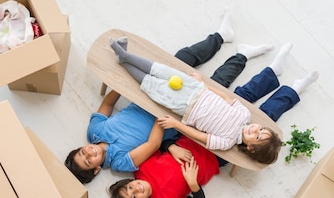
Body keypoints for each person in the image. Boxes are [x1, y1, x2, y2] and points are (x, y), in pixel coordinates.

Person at [65, 12, 275, 183]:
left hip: (143, 99)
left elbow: (108, 103)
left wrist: (125, 84)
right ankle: (242, 55)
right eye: (88, 161)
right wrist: (163, 111)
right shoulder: (120, 163)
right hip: (169, 116)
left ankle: (220, 36)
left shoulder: (94, 132)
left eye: (82, 153)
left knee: (181, 59)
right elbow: (152, 145)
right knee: (218, 81)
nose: (88, 153)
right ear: (97, 170)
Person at [109, 38, 319, 165]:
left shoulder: (227, 143)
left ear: (251, 148)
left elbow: (200, 135)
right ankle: (125, 55)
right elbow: (227, 98)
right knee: (161, 70)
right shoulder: (246, 116)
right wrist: (204, 84)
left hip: (185, 107)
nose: (255, 129)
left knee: (152, 86)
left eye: (256, 136)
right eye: (260, 129)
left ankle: (123, 57)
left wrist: (177, 125)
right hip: (197, 90)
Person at [107, 134, 223, 198]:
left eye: (130, 187)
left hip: (194, 135)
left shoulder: (141, 167)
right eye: (134, 197)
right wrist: (193, 183)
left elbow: (159, 143)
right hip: (215, 158)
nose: (136, 189)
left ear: (128, 181)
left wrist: (171, 147)